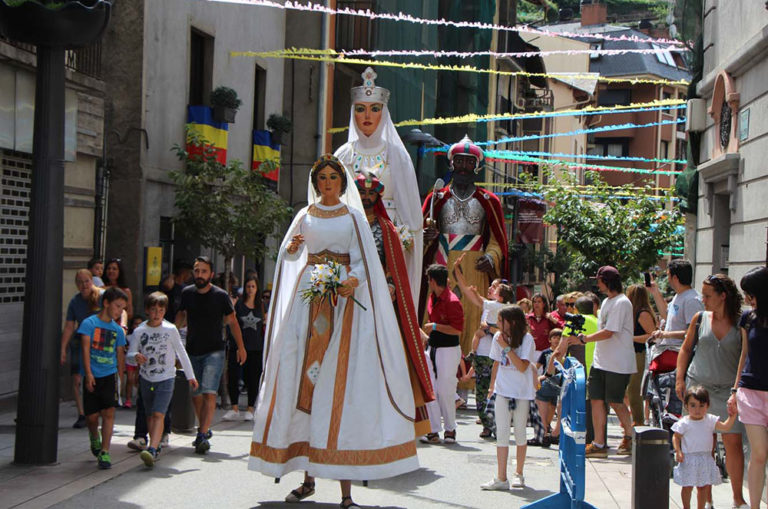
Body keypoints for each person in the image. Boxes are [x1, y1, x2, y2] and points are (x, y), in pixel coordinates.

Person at [248, 155, 418, 509]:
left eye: (332, 177)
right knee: (303, 382)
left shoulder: (353, 216)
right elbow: (290, 254)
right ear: (316, 182)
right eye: (322, 178)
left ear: (342, 182)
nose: (327, 183)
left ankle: (346, 492)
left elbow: (363, 259)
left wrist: (352, 280)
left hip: (343, 305)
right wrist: (291, 250)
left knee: (340, 386)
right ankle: (307, 478)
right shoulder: (305, 215)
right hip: (307, 301)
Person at [354, 170, 435, 436]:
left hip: (379, 300)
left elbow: (393, 267)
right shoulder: (347, 223)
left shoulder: (386, 228)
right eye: (362, 192)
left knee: (388, 353)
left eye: (371, 193)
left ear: (377, 196)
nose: (366, 197)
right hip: (348, 296)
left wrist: (390, 285)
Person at [334, 67, 423, 306]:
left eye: (374, 109)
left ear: (383, 113)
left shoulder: (397, 155)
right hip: (350, 232)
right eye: (360, 109)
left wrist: (403, 238)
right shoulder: (343, 155)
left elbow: (410, 211)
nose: (367, 115)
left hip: (387, 235)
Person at [422, 135, 508, 359]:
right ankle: (432, 363)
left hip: (474, 268)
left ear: (477, 166)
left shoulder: (489, 200)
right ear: (452, 163)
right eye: (459, 161)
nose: (463, 166)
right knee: (437, 313)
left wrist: (491, 257)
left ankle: (469, 369)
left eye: (469, 162)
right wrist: (425, 238)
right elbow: (418, 234)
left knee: (472, 315)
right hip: (441, 263)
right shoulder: (436, 198)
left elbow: (497, 241)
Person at [676, 273, 748, 509]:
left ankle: (737, 498)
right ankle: (706, 499)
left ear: (723, 296)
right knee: (703, 445)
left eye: (707, 295)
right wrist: (679, 379)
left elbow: (744, 357)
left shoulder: (741, 322)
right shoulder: (699, 318)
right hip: (699, 389)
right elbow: (686, 349)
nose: (703, 299)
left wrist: (737, 390)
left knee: (733, 442)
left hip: (728, 390)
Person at [176, 256, 246, 455]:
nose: (199, 275)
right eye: (197, 271)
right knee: (196, 394)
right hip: (192, 349)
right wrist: (170, 338)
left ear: (211, 274)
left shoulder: (220, 296)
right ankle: (203, 429)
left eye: (204, 271)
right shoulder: (187, 293)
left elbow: (232, 321)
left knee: (209, 392)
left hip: (214, 350)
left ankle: (202, 434)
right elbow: (181, 316)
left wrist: (241, 347)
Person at [571, 266, 636, 457]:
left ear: (607, 281)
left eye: (599, 280)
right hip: (600, 361)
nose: (597, 284)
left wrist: (586, 339)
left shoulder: (622, 302)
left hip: (618, 362)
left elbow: (609, 332)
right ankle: (599, 443)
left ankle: (630, 435)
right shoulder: (607, 302)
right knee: (596, 400)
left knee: (616, 401)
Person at [127, 292, 198, 467]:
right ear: (147, 310)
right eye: (153, 310)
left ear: (165, 311)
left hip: (166, 377)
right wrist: (135, 356)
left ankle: (152, 449)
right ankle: (155, 444)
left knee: (159, 413)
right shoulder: (140, 331)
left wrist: (190, 376)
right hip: (146, 377)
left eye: (160, 310)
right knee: (150, 414)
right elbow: (130, 354)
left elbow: (181, 353)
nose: (157, 314)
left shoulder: (170, 329)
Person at [453, 252, 513, 438]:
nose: (490, 289)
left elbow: (508, 334)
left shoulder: (503, 309)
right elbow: (468, 292)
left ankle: (497, 424)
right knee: (481, 394)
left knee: (496, 392)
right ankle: (488, 425)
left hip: (496, 357)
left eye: (494, 287)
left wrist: (490, 330)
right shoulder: (489, 306)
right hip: (481, 355)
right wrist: (457, 270)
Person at [481, 305, 537, 490]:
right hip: (503, 391)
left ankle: (518, 473)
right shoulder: (498, 337)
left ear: (512, 322)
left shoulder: (527, 339)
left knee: (520, 432)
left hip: (521, 393)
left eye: (500, 320)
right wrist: (492, 386)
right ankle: (501, 477)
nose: (497, 324)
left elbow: (522, 366)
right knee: (502, 434)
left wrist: (505, 347)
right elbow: (497, 363)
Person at [77, 287, 128, 469]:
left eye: (122, 308)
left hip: (109, 375)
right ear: (106, 303)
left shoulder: (118, 331)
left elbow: (120, 355)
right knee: (91, 417)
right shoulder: (89, 324)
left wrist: (120, 378)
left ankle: (105, 451)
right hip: (92, 374)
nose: (119, 311)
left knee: (109, 413)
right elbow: (85, 349)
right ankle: (94, 436)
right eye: (117, 306)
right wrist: (88, 373)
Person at [733, 267, 768, 509]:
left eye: (750, 293)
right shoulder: (748, 318)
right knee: (759, 453)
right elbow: (744, 354)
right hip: (750, 391)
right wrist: (734, 390)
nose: (747, 298)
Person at [418, 263, 464, 445]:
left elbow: (457, 330)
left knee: (446, 390)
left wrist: (436, 326)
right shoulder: (433, 298)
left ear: (432, 281)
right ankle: (433, 429)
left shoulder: (452, 301)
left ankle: (450, 428)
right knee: (431, 390)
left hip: (448, 350)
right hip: (433, 348)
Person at [673, 386, 737, 509]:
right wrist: (678, 451)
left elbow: (725, 427)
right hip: (689, 459)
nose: (697, 409)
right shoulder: (684, 423)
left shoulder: (710, 420)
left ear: (707, 406)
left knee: (703, 487)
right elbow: (676, 437)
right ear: (686, 406)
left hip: (705, 458)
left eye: (701, 406)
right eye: (693, 405)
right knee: (687, 486)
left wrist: (732, 416)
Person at [60, 269, 102, 428]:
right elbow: (69, 326)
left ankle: (97, 409)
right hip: (80, 339)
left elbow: (120, 311)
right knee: (77, 378)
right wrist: (63, 348)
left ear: (92, 281)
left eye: (87, 281)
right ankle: (82, 413)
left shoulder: (101, 296)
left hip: (98, 340)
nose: (84, 285)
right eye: (80, 282)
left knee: (97, 376)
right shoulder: (74, 302)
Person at [223, 274, 265, 422]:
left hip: (255, 348)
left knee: (252, 378)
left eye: (253, 286)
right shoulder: (239, 305)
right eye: (248, 286)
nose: (250, 289)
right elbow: (230, 322)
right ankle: (234, 408)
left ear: (257, 288)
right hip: (237, 347)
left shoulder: (261, 305)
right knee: (233, 377)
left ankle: (250, 408)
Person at [650, 259, 703, 372]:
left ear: (675, 278)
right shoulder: (679, 296)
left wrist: (665, 334)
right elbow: (666, 315)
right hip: (670, 354)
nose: (667, 279)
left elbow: (692, 332)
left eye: (668, 275)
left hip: (679, 356)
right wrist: (655, 292)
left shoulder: (692, 300)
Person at [625, 284, 658, 426]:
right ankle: (633, 420)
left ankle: (638, 422)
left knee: (634, 389)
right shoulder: (634, 313)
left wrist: (630, 338)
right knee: (628, 389)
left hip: (640, 354)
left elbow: (652, 335)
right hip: (632, 353)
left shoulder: (643, 313)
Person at [533, 328, 565, 446]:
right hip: (547, 381)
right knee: (546, 406)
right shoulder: (545, 353)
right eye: (554, 337)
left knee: (552, 407)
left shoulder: (564, 353)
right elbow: (536, 366)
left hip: (558, 383)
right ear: (550, 340)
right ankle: (546, 430)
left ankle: (546, 428)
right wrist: (536, 378)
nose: (556, 340)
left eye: (559, 338)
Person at [527, 293, 561, 360]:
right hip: (531, 352)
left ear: (544, 304)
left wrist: (553, 320)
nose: (536, 304)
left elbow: (561, 329)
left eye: (539, 302)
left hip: (545, 352)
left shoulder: (549, 318)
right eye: (534, 302)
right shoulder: (528, 318)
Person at [123, 315, 144, 409]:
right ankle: (128, 399)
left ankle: (139, 399)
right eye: (136, 324)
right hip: (130, 361)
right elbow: (124, 348)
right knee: (130, 380)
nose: (137, 326)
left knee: (138, 380)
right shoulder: (128, 337)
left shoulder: (145, 336)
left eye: (140, 324)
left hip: (140, 362)